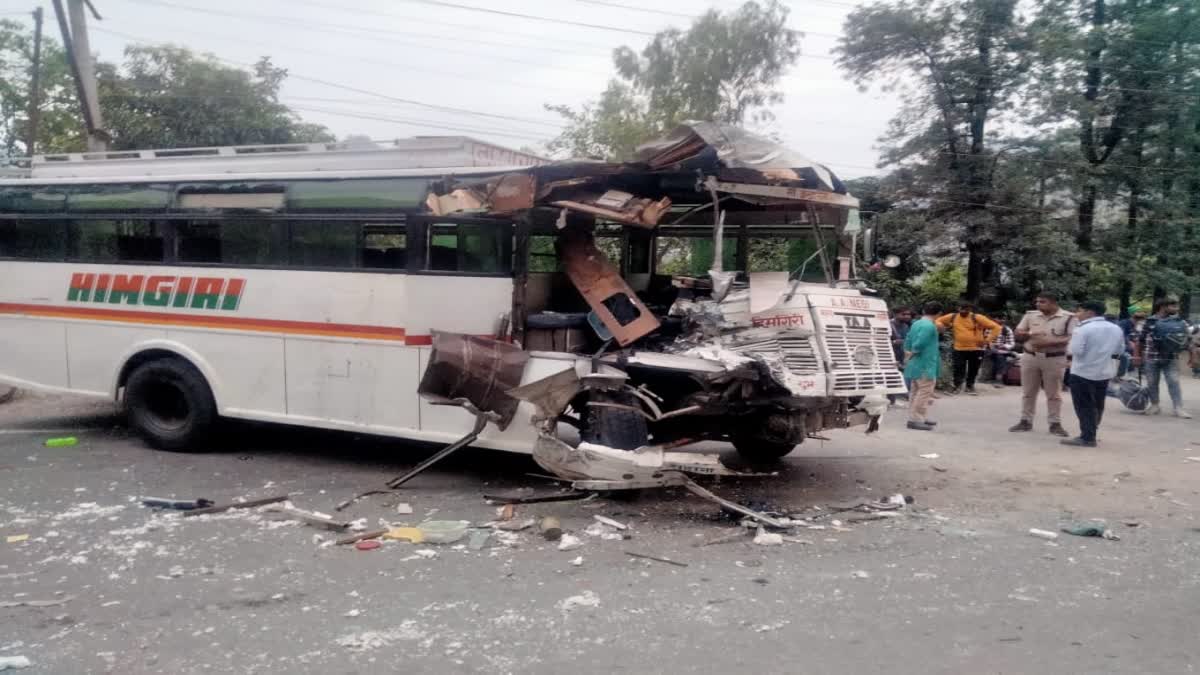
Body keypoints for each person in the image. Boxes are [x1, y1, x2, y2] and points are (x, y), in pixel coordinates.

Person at [1010, 292, 1077, 437]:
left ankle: (1055, 423)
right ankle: (1025, 421)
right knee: (1028, 392)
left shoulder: (1068, 317)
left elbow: (1073, 337)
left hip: (1054, 358)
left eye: (1042, 302)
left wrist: (1049, 342)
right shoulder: (1030, 315)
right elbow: (1018, 333)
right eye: (1037, 302)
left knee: (1054, 393)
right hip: (1030, 356)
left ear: (1053, 303)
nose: (1038, 304)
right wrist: (1028, 335)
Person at [1063, 301, 1126, 447]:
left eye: (1079, 311)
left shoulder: (1083, 329)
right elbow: (1119, 351)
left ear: (1089, 312)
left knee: (1083, 404)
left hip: (1082, 372)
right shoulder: (1115, 328)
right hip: (1104, 371)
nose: (1077, 314)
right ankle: (1092, 429)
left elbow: (1075, 351)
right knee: (1098, 402)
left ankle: (1087, 437)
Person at [1132, 298, 1193, 418]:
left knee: (1174, 382)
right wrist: (1137, 356)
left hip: (1171, 358)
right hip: (1151, 357)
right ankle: (1155, 405)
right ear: (1163, 307)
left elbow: (1188, 340)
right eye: (1173, 306)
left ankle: (1178, 408)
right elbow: (1139, 341)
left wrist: (1193, 356)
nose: (1176, 308)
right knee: (1152, 383)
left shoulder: (1181, 322)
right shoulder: (1148, 322)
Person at [935, 300, 1000, 395]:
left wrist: (987, 340)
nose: (963, 311)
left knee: (973, 369)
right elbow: (938, 320)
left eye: (966, 309)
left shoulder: (977, 317)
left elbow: (996, 327)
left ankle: (970, 386)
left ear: (970, 310)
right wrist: (942, 326)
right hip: (959, 348)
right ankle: (956, 386)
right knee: (958, 368)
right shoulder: (953, 316)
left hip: (976, 349)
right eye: (961, 309)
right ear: (958, 308)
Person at [904, 302, 943, 431]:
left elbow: (908, 339)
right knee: (925, 391)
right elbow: (920, 343)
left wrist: (909, 353)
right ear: (939, 313)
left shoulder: (916, 323)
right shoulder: (929, 326)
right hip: (925, 363)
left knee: (915, 391)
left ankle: (918, 416)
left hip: (915, 362)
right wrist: (914, 351)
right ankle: (916, 419)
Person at [889, 308, 914, 404]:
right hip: (890, 355)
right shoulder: (888, 324)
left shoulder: (905, 326)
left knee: (905, 374)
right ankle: (892, 398)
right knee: (892, 376)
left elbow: (907, 339)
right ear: (895, 314)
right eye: (903, 314)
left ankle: (903, 393)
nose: (907, 316)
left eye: (908, 314)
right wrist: (893, 342)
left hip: (902, 354)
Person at [985, 317, 1015, 387]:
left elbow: (1011, 344)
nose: (1000, 320)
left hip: (1003, 350)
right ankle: (997, 379)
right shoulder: (989, 329)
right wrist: (992, 346)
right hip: (990, 350)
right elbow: (986, 341)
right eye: (998, 318)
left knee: (1000, 357)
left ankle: (998, 379)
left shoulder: (1007, 330)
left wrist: (1003, 346)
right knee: (997, 356)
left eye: (1002, 319)